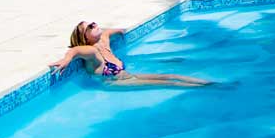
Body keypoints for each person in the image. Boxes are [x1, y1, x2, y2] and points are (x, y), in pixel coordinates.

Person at [50, 21, 211, 87]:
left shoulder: (103, 40)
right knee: (169, 82)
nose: (95, 25)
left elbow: (108, 31)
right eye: (90, 27)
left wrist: (119, 30)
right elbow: (76, 50)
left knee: (169, 75)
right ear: (85, 37)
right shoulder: (93, 52)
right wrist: (66, 59)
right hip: (114, 83)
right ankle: (211, 88)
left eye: (93, 22)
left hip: (128, 75)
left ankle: (211, 84)